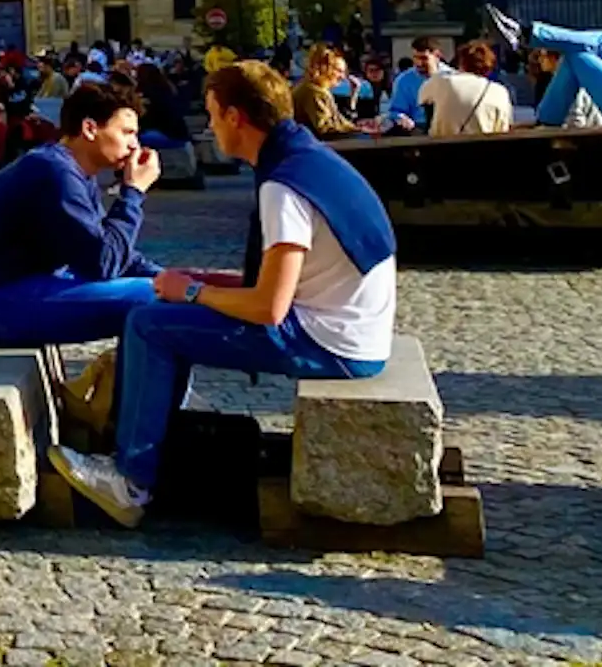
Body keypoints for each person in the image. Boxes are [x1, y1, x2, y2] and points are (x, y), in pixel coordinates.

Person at [50, 62, 395, 527]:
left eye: (212, 114)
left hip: (332, 342)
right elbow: (286, 283)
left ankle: (130, 482)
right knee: (165, 310)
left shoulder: (282, 187)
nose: (210, 125)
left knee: (148, 325)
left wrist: (193, 290)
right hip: (350, 326)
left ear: (235, 117)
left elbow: (269, 308)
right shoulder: (307, 158)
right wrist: (201, 284)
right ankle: (149, 447)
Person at [0, 81, 165, 347]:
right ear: (90, 128)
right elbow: (104, 263)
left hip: (10, 291)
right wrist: (133, 191)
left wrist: (172, 277)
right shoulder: (54, 172)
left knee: (165, 291)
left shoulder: (70, 169)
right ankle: (136, 389)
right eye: (126, 133)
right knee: (155, 299)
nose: (134, 145)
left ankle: (134, 388)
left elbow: (105, 247)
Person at [420, 39, 513, 137]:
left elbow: (423, 100)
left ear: (461, 62)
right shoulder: (500, 92)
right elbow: (503, 127)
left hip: (444, 147)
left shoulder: (442, 81)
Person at [294, 47, 364, 138]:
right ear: (325, 69)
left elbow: (340, 123)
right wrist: (359, 131)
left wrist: (360, 128)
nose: (343, 77)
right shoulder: (314, 92)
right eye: (339, 71)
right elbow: (325, 129)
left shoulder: (318, 90)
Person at [385, 38, 447, 132]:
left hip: (447, 128)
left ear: (437, 56)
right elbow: (395, 111)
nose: (419, 63)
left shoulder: (452, 78)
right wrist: (402, 118)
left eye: (424, 58)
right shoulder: (404, 80)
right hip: (417, 129)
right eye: (415, 57)